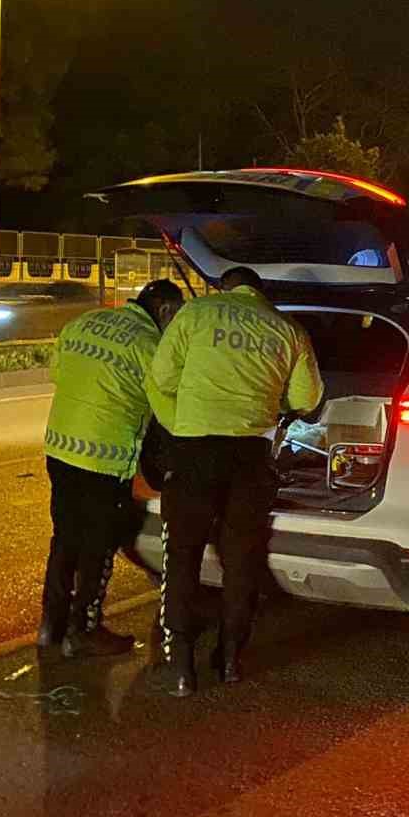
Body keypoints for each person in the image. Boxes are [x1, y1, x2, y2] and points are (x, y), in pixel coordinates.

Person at [150, 265, 324, 697]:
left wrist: (182, 421)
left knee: (183, 558)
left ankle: (182, 669)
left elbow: (163, 379)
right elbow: (307, 400)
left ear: (222, 288)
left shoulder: (195, 315)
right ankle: (229, 659)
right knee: (242, 560)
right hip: (250, 457)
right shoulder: (288, 329)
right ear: (259, 293)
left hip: (194, 452)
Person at [40, 279, 185, 658]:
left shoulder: (84, 322)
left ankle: (51, 627)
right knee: (98, 547)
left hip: (60, 450)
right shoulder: (150, 346)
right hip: (103, 460)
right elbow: (167, 412)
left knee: (65, 538)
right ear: (166, 311)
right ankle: (84, 631)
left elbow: (59, 373)